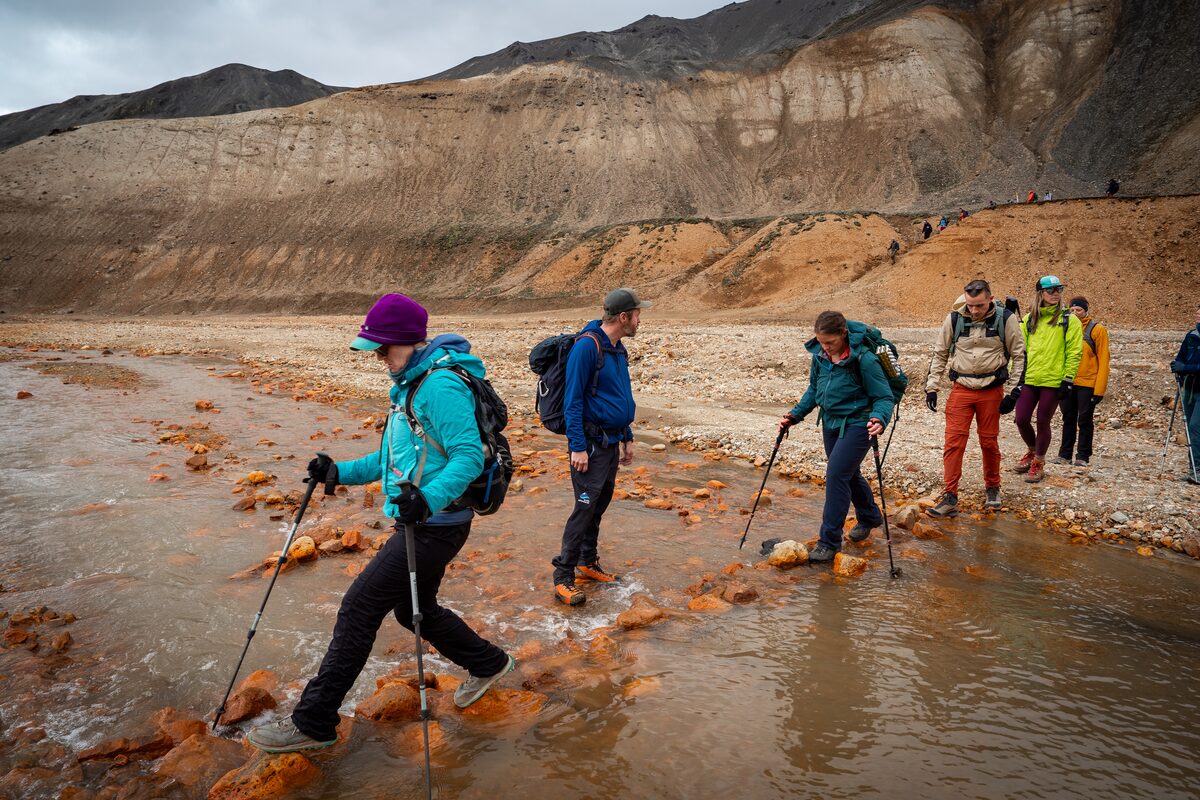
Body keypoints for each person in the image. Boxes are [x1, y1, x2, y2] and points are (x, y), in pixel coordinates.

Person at [247, 294, 514, 754]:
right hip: (425, 522)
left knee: (357, 609)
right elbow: (390, 460)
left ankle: (314, 722)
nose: (377, 357)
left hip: (435, 525)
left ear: (408, 342)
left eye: (381, 348)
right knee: (417, 610)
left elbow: (469, 457)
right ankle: (488, 663)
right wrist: (337, 473)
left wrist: (425, 500)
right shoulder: (409, 386)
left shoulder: (438, 386)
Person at [553, 288, 649, 605]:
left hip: (610, 442)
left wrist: (628, 436)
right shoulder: (587, 347)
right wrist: (577, 447)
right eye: (637, 314)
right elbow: (573, 402)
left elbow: (619, 397)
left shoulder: (617, 349)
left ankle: (586, 562)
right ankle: (563, 577)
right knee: (583, 508)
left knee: (600, 502)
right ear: (623, 318)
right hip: (589, 446)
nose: (640, 320)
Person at [779, 311, 894, 563]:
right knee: (847, 473)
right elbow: (814, 388)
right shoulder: (820, 356)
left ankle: (829, 542)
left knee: (836, 475)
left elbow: (884, 397)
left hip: (859, 423)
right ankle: (870, 517)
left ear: (843, 334)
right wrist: (794, 415)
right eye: (821, 342)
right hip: (830, 422)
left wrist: (879, 419)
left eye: (830, 342)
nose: (825, 347)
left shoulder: (864, 360)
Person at [924, 280, 1026, 515]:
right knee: (953, 443)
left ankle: (992, 488)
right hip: (961, 388)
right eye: (970, 305)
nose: (974, 310)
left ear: (990, 299)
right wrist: (932, 387)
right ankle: (949, 496)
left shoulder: (1006, 318)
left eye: (979, 305)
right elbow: (939, 353)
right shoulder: (954, 319)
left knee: (989, 442)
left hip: (991, 390)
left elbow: (1020, 356)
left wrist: (1013, 393)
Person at [1002, 276, 1083, 483]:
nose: (1056, 293)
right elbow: (1019, 350)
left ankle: (1039, 460)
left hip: (1053, 380)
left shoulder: (1069, 320)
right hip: (1029, 378)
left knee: (1043, 421)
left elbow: (1074, 351)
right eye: (1051, 290)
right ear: (1040, 293)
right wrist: (1015, 376)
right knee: (1020, 419)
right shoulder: (1029, 319)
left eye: (1059, 289)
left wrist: (1068, 379)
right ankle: (1032, 450)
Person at [1057, 297, 1109, 466]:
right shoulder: (1064, 328)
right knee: (1068, 418)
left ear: (1086, 310)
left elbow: (1103, 360)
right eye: (1072, 310)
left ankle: (1082, 456)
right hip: (1068, 381)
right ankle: (1064, 455)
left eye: (1078, 310)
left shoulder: (1097, 330)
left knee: (1085, 420)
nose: (1075, 313)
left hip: (1088, 384)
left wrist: (1099, 390)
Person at [1169, 303, 1200, 483]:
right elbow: (1181, 357)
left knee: (1196, 427)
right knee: (1190, 429)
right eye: (1197, 311)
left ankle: (1197, 468)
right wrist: (1177, 366)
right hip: (1188, 388)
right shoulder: (1191, 336)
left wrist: (1186, 368)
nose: (1197, 315)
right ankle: (1193, 469)